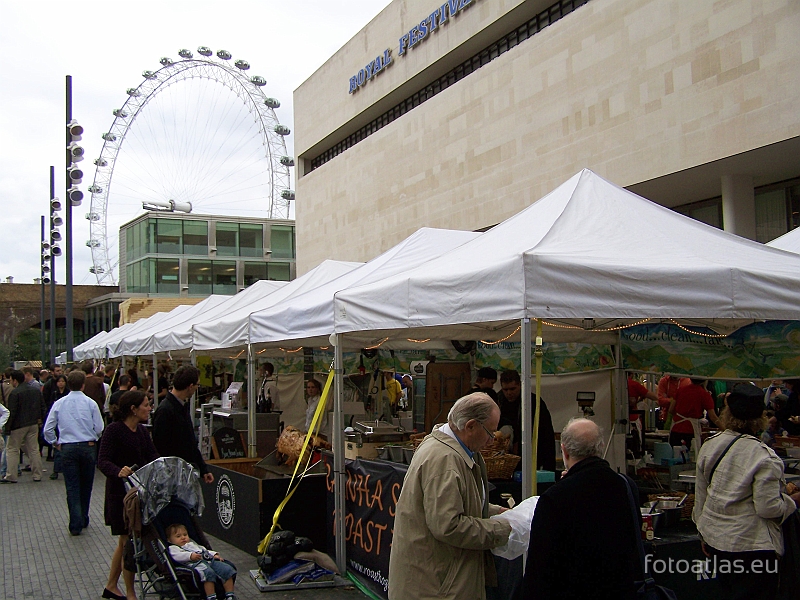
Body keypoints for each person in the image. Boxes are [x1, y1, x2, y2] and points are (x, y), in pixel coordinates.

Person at [388, 392, 512, 600]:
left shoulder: (448, 449)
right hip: (436, 586)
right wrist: (502, 529)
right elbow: (449, 526)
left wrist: (494, 511)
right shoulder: (445, 460)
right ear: (470, 426)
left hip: (437, 580)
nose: (492, 440)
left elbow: (454, 503)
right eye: (490, 433)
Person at [693, 383, 800, 600]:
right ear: (760, 417)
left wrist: (703, 534)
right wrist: (792, 501)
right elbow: (768, 507)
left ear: (727, 412)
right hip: (752, 548)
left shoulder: (710, 445)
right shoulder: (764, 456)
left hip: (717, 542)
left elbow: (701, 496)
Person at [524, 418, 640, 600]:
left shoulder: (555, 498)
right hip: (619, 590)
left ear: (564, 450)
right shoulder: (625, 486)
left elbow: (539, 568)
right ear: (601, 447)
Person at [98, 390, 159, 600]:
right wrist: (118, 471)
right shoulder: (113, 431)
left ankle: (111, 585)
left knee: (125, 543)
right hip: (119, 496)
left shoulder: (142, 431)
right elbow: (103, 461)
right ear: (133, 409)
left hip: (138, 495)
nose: (149, 408)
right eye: (145, 404)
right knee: (127, 543)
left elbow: (152, 456)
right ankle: (130, 592)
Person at [42, 370, 105, 535]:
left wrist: (55, 442)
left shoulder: (59, 403)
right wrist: (94, 437)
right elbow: (99, 426)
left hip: (67, 446)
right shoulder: (90, 403)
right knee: (86, 484)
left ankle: (75, 522)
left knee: (72, 485)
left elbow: (48, 427)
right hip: (87, 445)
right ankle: (83, 516)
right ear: (83, 385)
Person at [152, 365, 213, 484]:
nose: (197, 388)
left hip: (184, 473)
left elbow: (190, 442)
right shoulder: (166, 410)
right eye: (197, 385)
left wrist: (203, 468)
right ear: (190, 386)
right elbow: (160, 446)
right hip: (173, 477)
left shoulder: (180, 407)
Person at [496, 370, 556, 471]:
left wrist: (548, 466)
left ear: (520, 385)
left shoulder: (532, 401)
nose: (509, 393)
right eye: (505, 390)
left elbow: (546, 434)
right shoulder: (498, 401)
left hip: (530, 453)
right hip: (504, 457)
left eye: (512, 389)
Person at [166, 523, 237, 600]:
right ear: (169, 540)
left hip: (208, 561)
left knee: (227, 570)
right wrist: (190, 556)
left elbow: (203, 550)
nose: (183, 537)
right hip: (195, 564)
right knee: (208, 573)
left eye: (185, 535)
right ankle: (211, 597)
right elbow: (177, 556)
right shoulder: (173, 548)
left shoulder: (192, 544)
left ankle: (230, 595)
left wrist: (214, 554)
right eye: (178, 536)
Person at [1, 369, 46, 483]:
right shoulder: (35, 390)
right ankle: (37, 474)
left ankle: (11, 475)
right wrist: (40, 420)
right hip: (33, 423)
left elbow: (12, 412)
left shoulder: (15, 393)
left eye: (11, 379)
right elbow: (42, 406)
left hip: (18, 425)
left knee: (12, 449)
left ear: (15, 380)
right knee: (34, 449)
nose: (10, 381)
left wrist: (7, 428)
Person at [668, 377, 721, 450]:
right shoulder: (704, 394)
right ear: (705, 381)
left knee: (674, 455)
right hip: (690, 430)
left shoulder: (680, 390)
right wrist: (724, 428)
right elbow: (713, 417)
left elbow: (671, 410)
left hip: (675, 428)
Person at [48, 374, 70, 480]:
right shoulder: (55, 394)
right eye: (59, 381)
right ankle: (56, 470)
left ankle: (64, 469)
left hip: (66, 422)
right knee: (57, 446)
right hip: (57, 422)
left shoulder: (68, 394)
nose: (61, 383)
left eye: (62, 381)